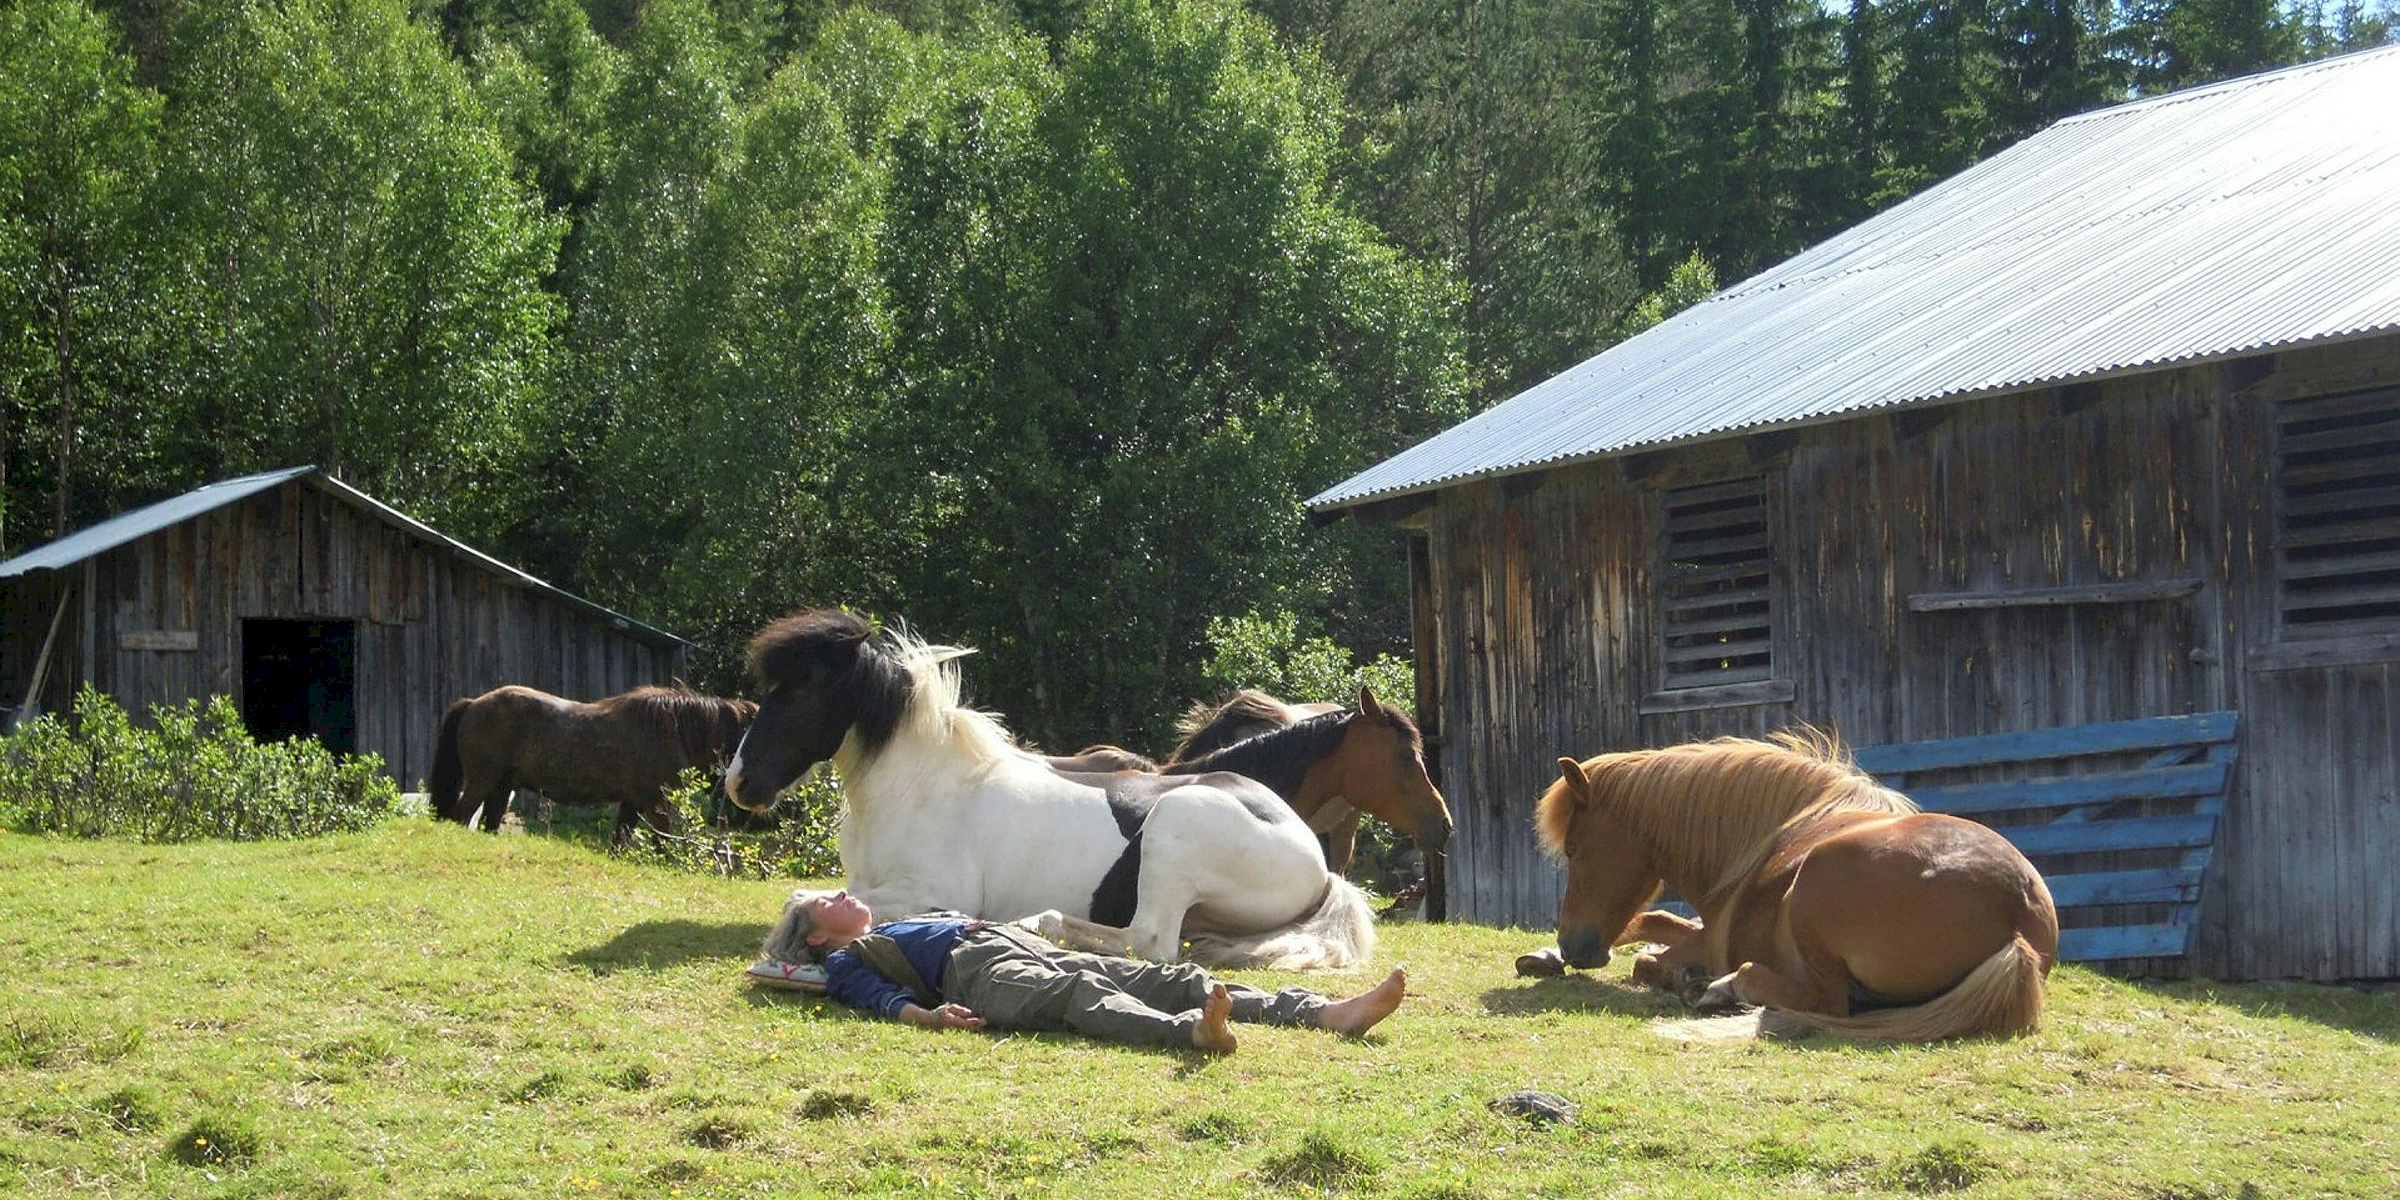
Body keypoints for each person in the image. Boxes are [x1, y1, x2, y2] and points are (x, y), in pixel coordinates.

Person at [754, 889, 1407, 1054]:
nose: (841, 896)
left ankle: (1324, 1012)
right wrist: (924, 1015)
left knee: (1173, 975)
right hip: (974, 976)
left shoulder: (890, 923)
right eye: (825, 902)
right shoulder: (846, 960)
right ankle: (1191, 1035)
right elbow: (869, 993)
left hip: (1015, 945)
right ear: (816, 934)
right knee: (1078, 992)